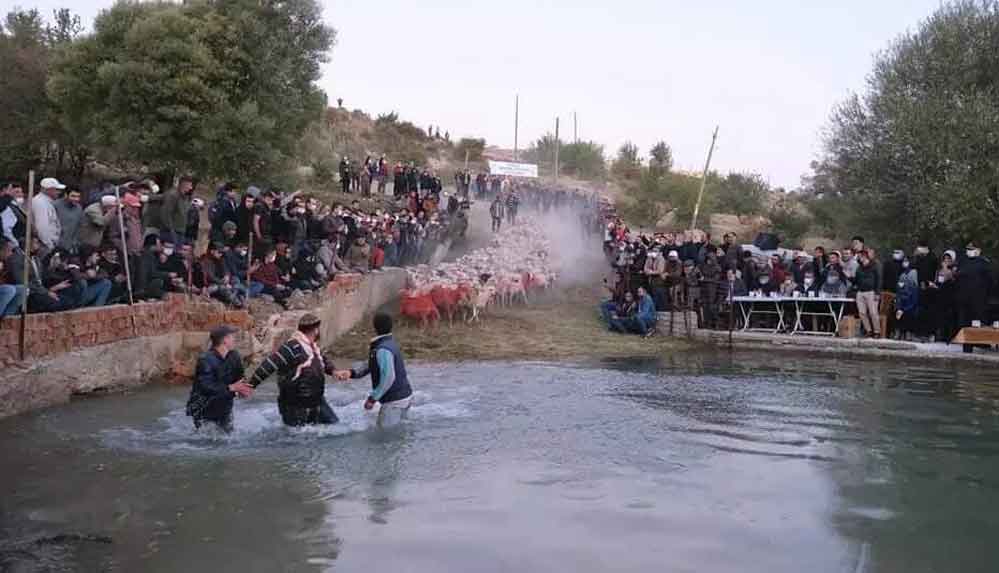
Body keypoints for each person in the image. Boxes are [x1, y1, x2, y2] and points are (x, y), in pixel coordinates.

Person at [248, 313, 348, 426]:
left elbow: (322, 361)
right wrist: (251, 385)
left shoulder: (312, 347)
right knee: (297, 438)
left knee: (335, 424)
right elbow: (269, 365)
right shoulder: (291, 347)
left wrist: (334, 371)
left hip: (317, 401)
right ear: (316, 330)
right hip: (294, 405)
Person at [340, 313, 415, 427]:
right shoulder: (388, 344)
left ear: (374, 327)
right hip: (404, 397)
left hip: (394, 402)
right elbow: (372, 364)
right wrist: (352, 373)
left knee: (384, 438)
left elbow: (388, 378)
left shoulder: (383, 349)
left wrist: (372, 398)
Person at [185, 326, 254, 433]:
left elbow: (239, 378)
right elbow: (206, 386)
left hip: (224, 406)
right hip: (204, 409)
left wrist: (242, 389)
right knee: (206, 442)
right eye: (231, 337)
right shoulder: (205, 359)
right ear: (225, 340)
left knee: (228, 438)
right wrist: (231, 387)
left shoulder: (234, 356)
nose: (234, 339)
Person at [32, 177, 65, 251]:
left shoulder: (46, 202)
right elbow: (42, 227)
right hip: (44, 246)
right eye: (56, 190)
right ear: (47, 190)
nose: (59, 192)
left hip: (48, 244)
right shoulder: (40, 203)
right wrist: (49, 245)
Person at [854, 251, 881, 338]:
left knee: (873, 312)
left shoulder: (874, 266)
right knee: (862, 313)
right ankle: (868, 330)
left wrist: (877, 292)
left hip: (871, 291)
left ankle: (877, 331)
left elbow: (879, 280)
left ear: (865, 256)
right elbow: (856, 280)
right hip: (860, 292)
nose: (858, 258)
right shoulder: (859, 267)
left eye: (859, 256)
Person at [54, 189, 83, 254]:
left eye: (78, 197)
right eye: (73, 196)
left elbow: (78, 227)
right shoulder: (55, 205)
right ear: (66, 195)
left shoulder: (79, 208)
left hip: (69, 247)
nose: (76, 199)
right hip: (55, 245)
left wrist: (74, 243)